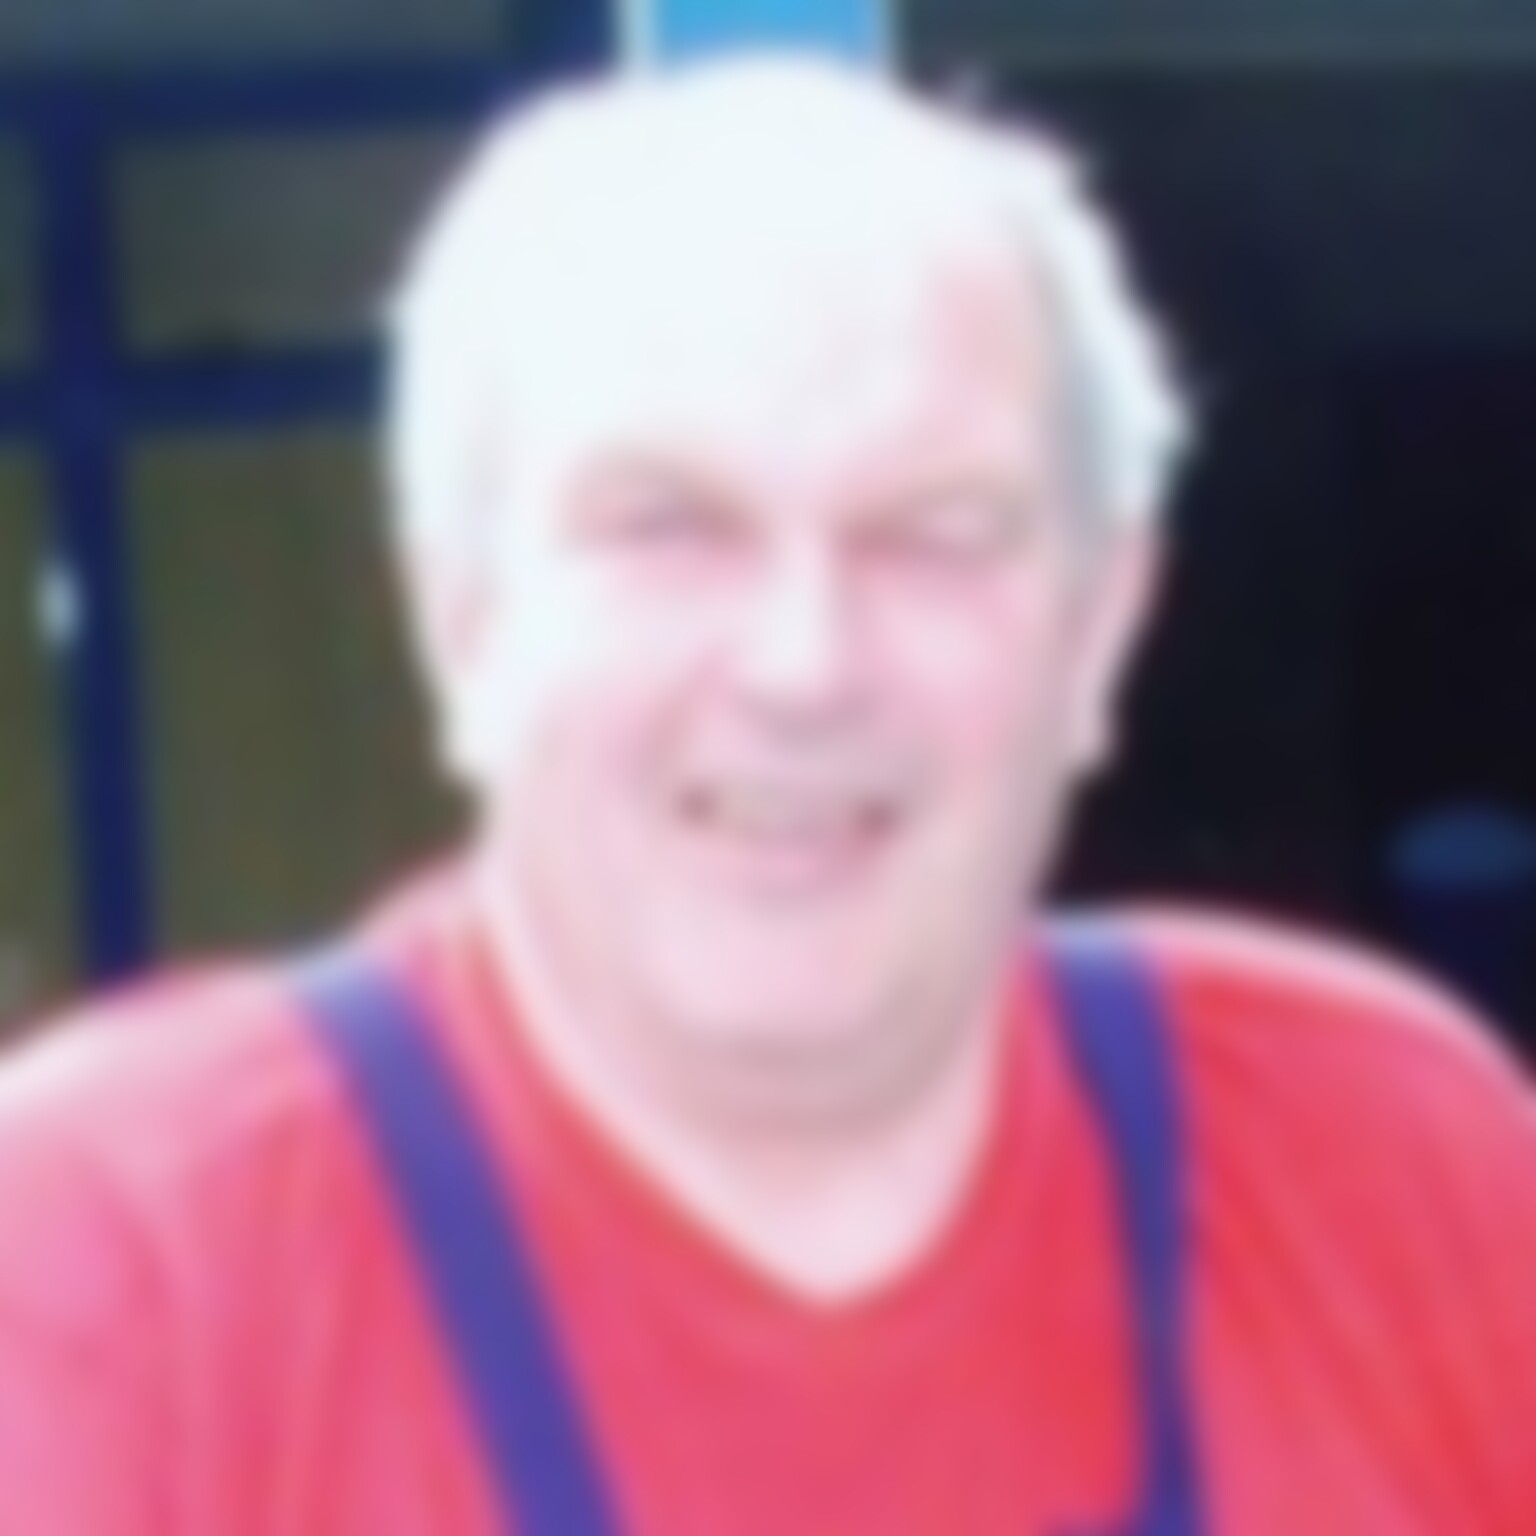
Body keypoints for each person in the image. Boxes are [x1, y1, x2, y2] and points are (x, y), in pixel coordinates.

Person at [0, 53, 1531, 1536]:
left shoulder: (1391, 1166)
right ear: (461, 623)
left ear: (1098, 630)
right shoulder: (116, 1267)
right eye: (668, 525)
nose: (806, 664)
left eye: (935, 531)